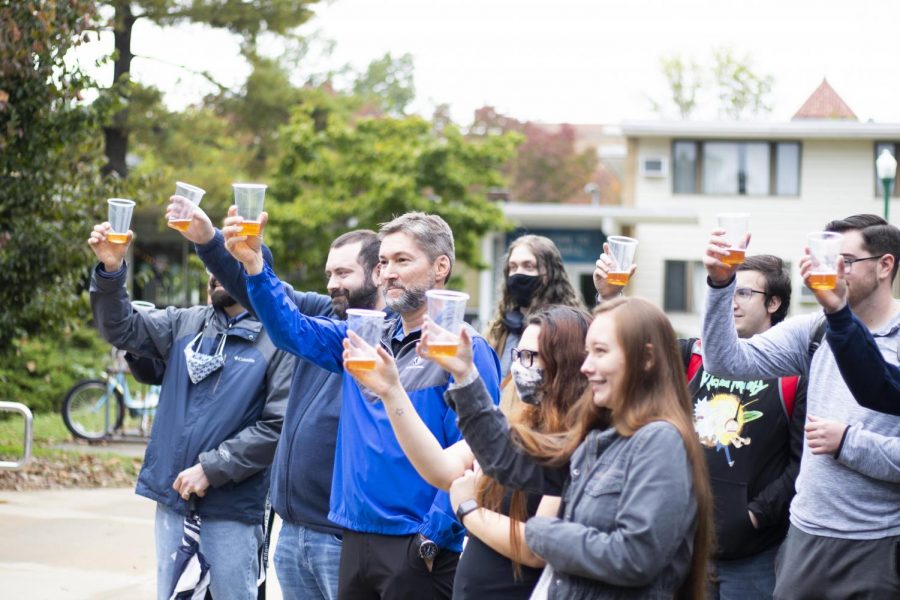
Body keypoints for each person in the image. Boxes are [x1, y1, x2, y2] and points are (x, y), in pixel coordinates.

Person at [223, 210, 501, 599]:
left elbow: (477, 456)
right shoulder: (366, 336)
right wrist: (254, 265)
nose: (388, 272)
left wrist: (432, 539)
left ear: (441, 267)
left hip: (418, 547)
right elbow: (292, 330)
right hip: (354, 537)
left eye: (402, 260)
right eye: (384, 262)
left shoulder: (465, 351)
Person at [426, 297, 713, 598]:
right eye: (587, 353)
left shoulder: (660, 441)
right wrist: (463, 374)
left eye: (600, 352)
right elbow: (506, 459)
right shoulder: (602, 440)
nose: (586, 367)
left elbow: (635, 557)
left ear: (647, 359)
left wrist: (540, 531)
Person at [168, 199, 383, 600]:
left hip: (341, 535)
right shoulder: (322, 313)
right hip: (293, 530)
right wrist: (209, 241)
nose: (332, 282)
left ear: (378, 272)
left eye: (343, 272)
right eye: (328, 273)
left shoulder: (387, 338)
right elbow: (259, 292)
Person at [87, 222, 294, 600]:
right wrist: (111, 272)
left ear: (250, 271)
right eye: (210, 268)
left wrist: (212, 468)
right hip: (173, 500)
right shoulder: (186, 322)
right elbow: (120, 327)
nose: (213, 276)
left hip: (233, 508)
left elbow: (278, 425)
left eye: (225, 265)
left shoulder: (279, 338)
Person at [700, 214, 900, 599]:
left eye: (845, 261)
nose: (830, 270)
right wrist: (721, 283)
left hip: (878, 542)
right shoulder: (816, 329)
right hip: (805, 538)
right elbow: (725, 362)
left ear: (884, 265)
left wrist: (849, 443)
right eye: (826, 257)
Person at [342, 305, 593, 599]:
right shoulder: (517, 427)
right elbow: (439, 468)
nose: (520, 367)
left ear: (568, 363)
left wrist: (469, 511)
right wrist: (391, 391)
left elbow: (535, 548)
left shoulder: (577, 443)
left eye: (531, 357)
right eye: (517, 356)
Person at [595, 253, 805, 599]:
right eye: (728, 291)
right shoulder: (692, 354)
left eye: (743, 293)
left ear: (774, 303)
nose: (731, 302)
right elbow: (634, 351)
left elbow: (801, 462)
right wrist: (610, 298)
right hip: (681, 545)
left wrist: (755, 514)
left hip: (751, 555)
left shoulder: (794, 372)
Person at [800, 236, 900, 416]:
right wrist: (730, 283)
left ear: (885, 265)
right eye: (831, 260)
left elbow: (881, 391)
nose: (836, 270)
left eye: (846, 261)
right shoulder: (816, 325)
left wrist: (847, 437)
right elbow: (880, 388)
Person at [485, 235, 584, 386]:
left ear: (548, 274)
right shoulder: (497, 331)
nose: (518, 273)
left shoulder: (568, 331)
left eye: (528, 266)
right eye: (513, 267)